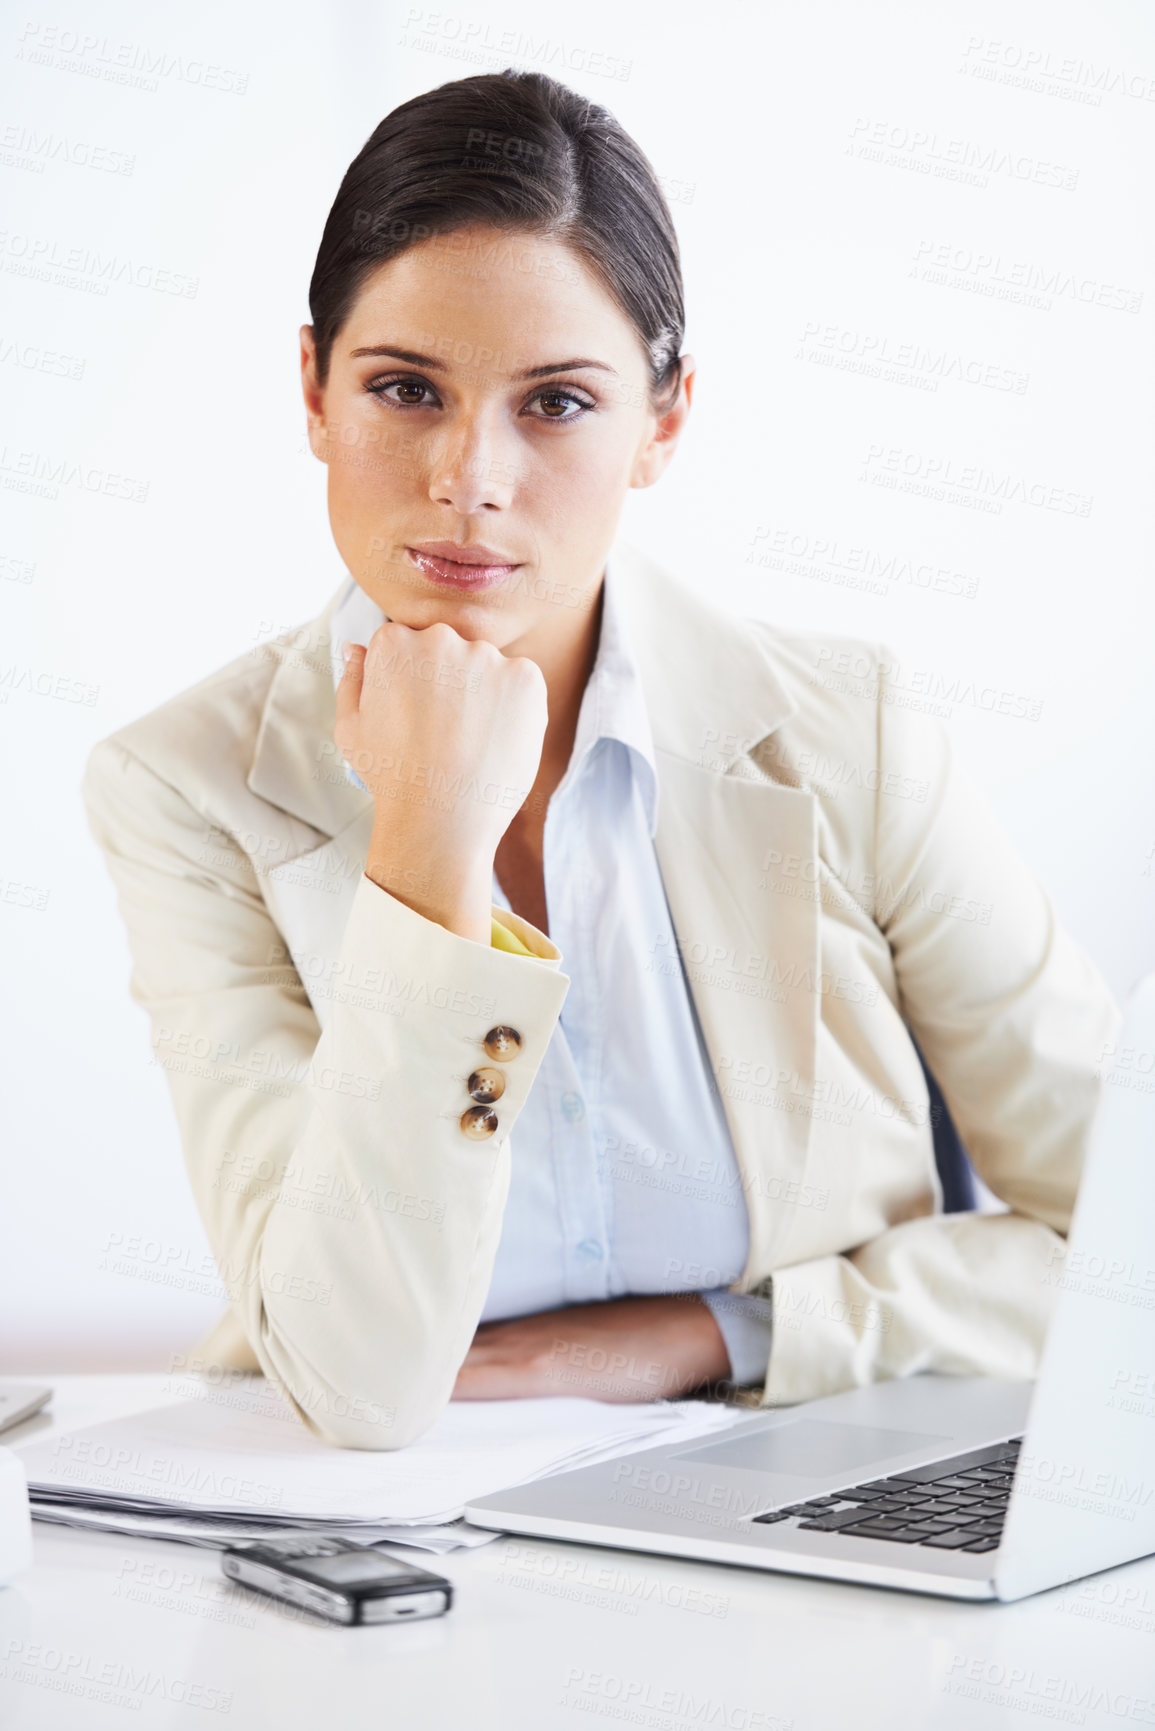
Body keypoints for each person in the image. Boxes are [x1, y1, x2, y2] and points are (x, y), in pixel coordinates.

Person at [82, 69, 1120, 1451]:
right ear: (315, 395)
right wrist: (428, 855)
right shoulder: (188, 787)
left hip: (794, 1490)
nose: (472, 477)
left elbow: (1122, 1249)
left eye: (557, 404)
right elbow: (359, 1382)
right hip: (376, 1548)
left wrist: (715, 1337)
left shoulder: (845, 734)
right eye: (404, 388)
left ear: (665, 423)